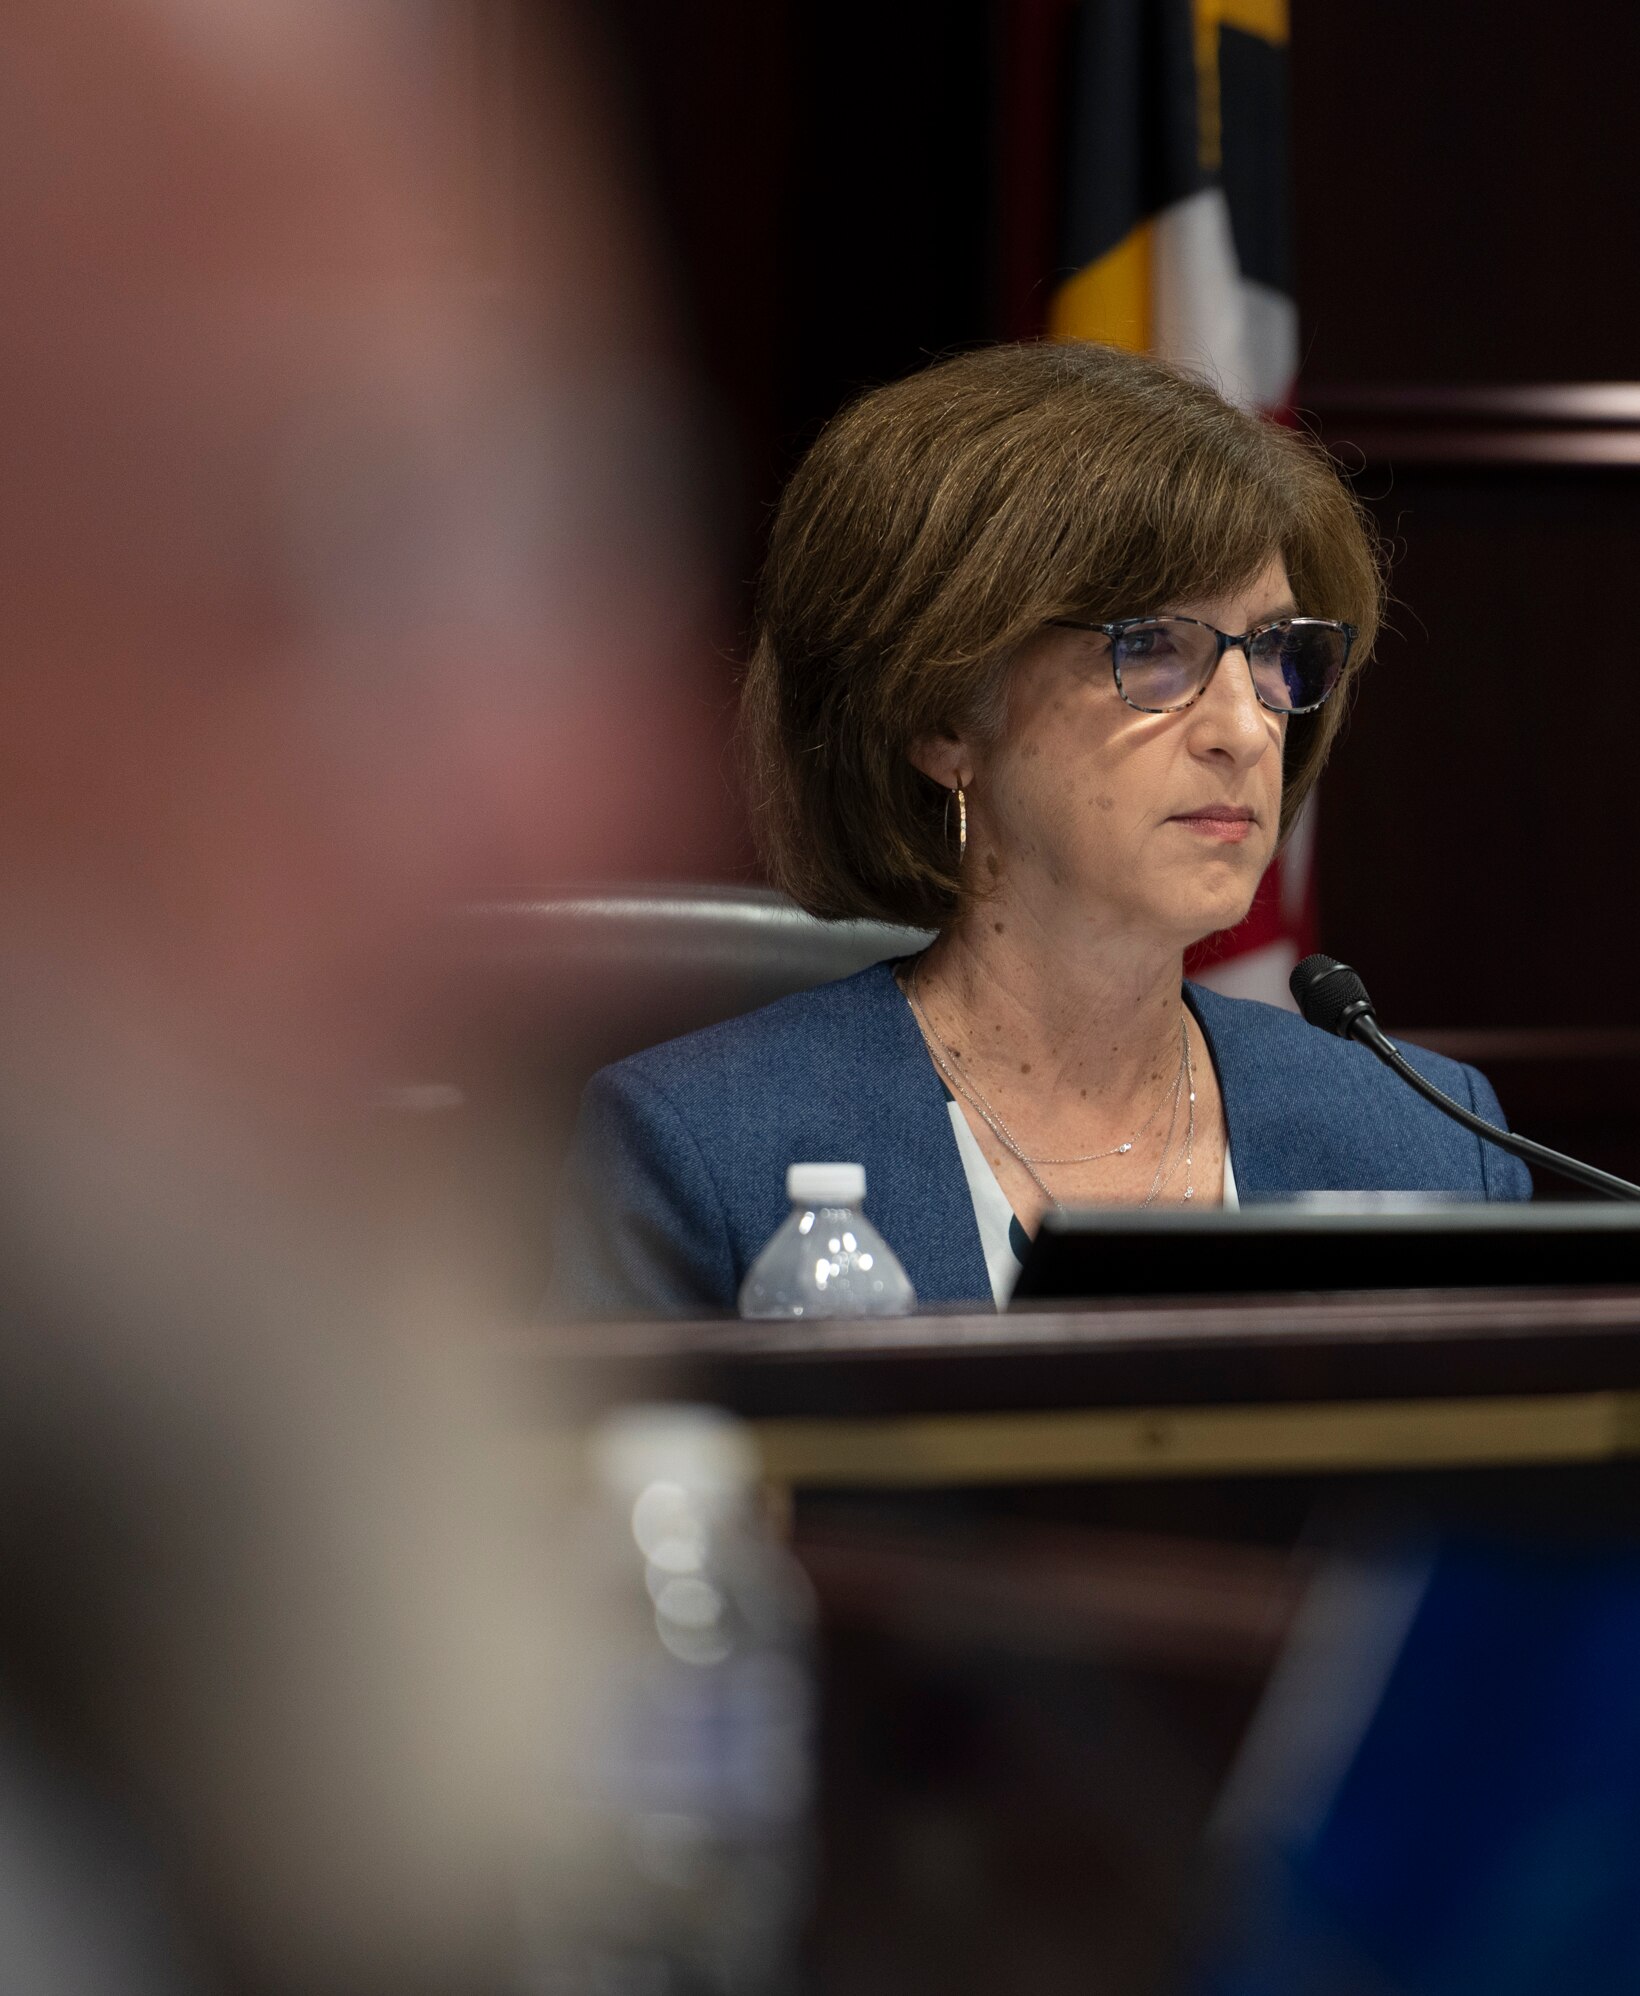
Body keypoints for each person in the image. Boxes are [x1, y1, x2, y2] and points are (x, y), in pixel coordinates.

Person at [550, 342, 1531, 1316]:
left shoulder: (1431, 1144)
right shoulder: (706, 1155)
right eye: (1153, 647)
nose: (1246, 728)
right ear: (941, 718)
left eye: (1274, 650)